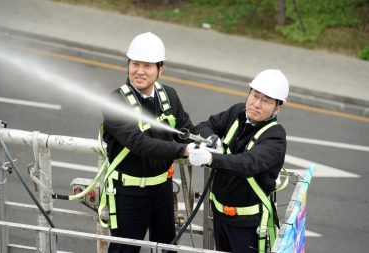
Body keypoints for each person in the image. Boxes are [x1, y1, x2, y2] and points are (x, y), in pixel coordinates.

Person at [99, 32, 195, 253]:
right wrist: (184, 150)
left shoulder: (168, 95)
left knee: (166, 248)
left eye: (147, 66)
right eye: (135, 64)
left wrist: (205, 142)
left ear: (160, 69)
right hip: (129, 193)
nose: (139, 71)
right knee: (125, 250)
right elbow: (140, 144)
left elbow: (185, 129)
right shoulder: (116, 102)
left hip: (162, 190)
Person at [188, 69, 289, 253]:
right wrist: (212, 139)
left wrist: (211, 157)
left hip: (247, 225)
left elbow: (247, 164)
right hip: (220, 216)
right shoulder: (237, 112)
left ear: (278, 107)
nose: (256, 104)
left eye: (266, 100)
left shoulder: (275, 136)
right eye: (255, 95)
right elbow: (204, 125)